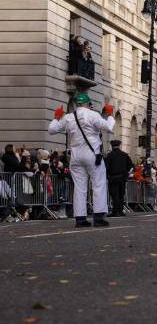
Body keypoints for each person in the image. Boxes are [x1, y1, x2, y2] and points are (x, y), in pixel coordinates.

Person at [48, 93, 115, 227]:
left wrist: (56, 117)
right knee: (98, 184)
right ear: (87, 103)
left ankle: (80, 219)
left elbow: (51, 130)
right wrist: (110, 115)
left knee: (79, 187)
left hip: (76, 156)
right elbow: (109, 127)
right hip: (92, 155)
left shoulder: (68, 117)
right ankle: (98, 217)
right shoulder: (93, 115)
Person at [105, 140, 133, 217]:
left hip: (113, 178)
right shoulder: (125, 155)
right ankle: (120, 211)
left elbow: (106, 167)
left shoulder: (109, 155)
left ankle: (115, 211)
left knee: (114, 195)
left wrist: (108, 176)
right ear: (119, 145)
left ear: (111, 146)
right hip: (122, 178)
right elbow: (131, 166)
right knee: (121, 194)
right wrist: (126, 174)